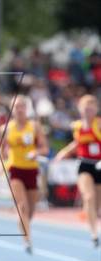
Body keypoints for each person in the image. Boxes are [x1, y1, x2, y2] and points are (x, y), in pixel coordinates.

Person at [1, 95, 49, 254]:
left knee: (31, 210)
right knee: (22, 206)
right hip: (15, 170)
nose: (19, 109)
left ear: (26, 109)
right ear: (12, 109)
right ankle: (28, 240)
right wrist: (4, 164)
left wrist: (36, 152)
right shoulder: (6, 128)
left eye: (22, 106)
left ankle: (24, 224)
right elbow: (1, 150)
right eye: (16, 106)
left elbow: (45, 149)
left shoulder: (34, 126)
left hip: (32, 169)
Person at [55, 95, 100, 247]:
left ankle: (93, 217)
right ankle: (94, 233)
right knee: (88, 197)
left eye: (91, 107)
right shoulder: (78, 127)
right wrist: (63, 153)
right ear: (80, 109)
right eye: (85, 107)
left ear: (96, 109)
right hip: (84, 164)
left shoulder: (98, 124)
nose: (88, 110)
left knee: (97, 203)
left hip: (99, 164)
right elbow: (77, 143)